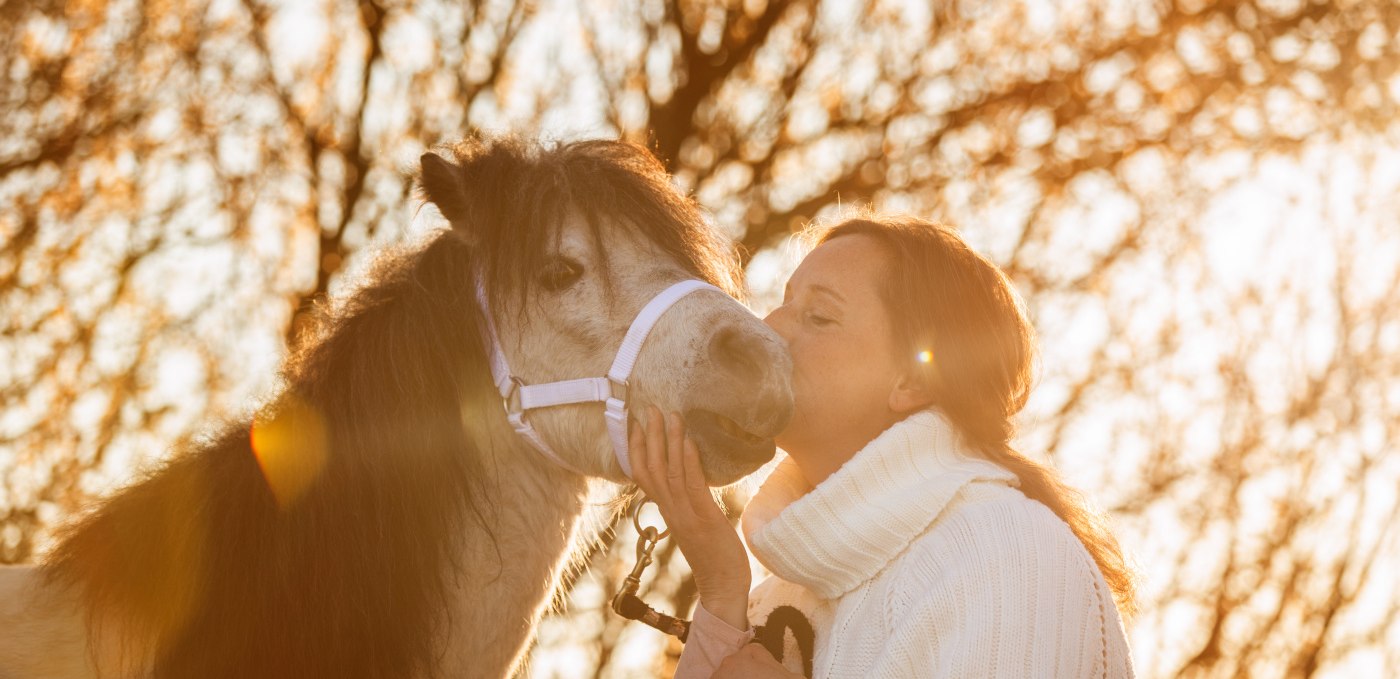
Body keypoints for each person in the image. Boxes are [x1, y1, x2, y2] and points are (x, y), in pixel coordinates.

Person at [630, 214, 1136, 678]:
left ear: (913, 378)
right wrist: (721, 589)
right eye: (783, 303)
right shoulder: (777, 597)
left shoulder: (1008, 555)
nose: (770, 328)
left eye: (818, 318)